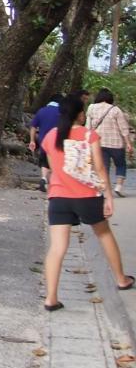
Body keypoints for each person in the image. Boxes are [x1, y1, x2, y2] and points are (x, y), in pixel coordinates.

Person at [42, 93, 135, 311]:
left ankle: (51, 298)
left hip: (59, 198)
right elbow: (101, 169)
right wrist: (109, 196)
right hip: (87, 196)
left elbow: (52, 168)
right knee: (104, 234)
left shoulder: (50, 137)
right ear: (80, 114)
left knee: (57, 248)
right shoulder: (89, 136)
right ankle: (121, 279)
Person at [86, 88, 133, 197]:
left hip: (99, 143)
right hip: (116, 144)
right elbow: (124, 129)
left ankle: (104, 190)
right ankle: (118, 187)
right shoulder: (115, 109)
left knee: (103, 167)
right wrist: (129, 144)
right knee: (121, 165)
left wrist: (88, 141)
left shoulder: (91, 108)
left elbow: (88, 127)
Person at [30, 94, 63, 194]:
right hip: (58, 141)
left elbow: (33, 127)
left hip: (43, 141)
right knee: (55, 162)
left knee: (44, 161)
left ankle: (44, 179)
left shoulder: (42, 111)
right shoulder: (62, 112)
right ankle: (53, 183)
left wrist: (32, 140)